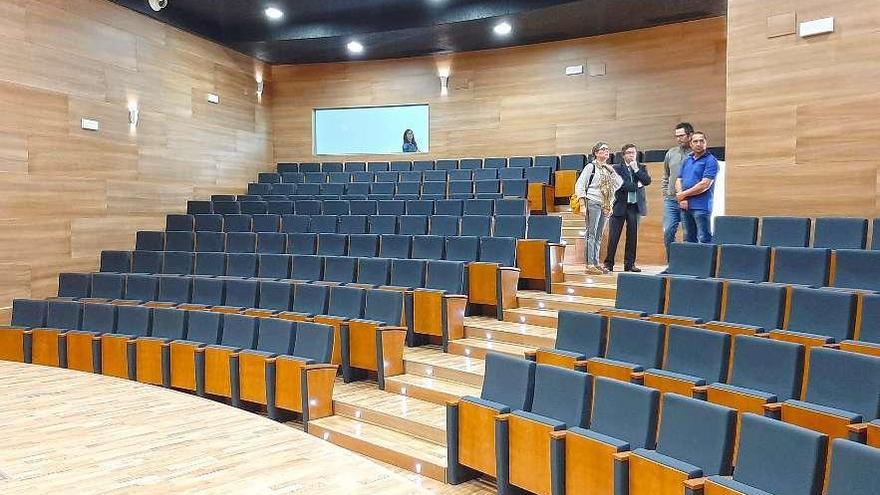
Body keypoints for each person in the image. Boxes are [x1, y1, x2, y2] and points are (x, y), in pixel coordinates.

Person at [574, 141, 623, 275]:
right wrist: (583, 205)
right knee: (591, 234)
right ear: (596, 153)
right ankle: (589, 264)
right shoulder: (591, 167)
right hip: (593, 202)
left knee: (599, 235)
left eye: (607, 149)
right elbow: (580, 185)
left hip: (605, 204)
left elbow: (618, 184)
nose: (606, 151)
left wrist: (613, 171)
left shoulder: (608, 169)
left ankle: (596, 262)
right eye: (603, 149)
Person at [604, 144, 652, 272]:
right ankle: (609, 263)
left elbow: (647, 181)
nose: (632, 155)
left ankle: (629, 264)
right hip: (619, 205)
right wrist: (635, 185)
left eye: (634, 153)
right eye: (629, 153)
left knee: (632, 237)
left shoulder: (641, 167)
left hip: (634, 207)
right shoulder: (616, 168)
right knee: (614, 236)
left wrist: (636, 170)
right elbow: (619, 184)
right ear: (623, 155)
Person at [676, 131, 718, 243]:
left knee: (704, 238)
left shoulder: (711, 160)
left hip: (701, 206)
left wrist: (683, 195)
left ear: (706, 143)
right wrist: (683, 199)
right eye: (695, 141)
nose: (699, 143)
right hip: (685, 206)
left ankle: (706, 261)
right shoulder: (687, 160)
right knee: (688, 238)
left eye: (701, 141)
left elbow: (705, 184)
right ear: (691, 144)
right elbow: (679, 180)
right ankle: (690, 261)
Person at [662, 122, 693, 260]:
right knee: (668, 231)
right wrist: (666, 192)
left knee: (688, 234)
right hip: (671, 201)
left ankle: (686, 264)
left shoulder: (696, 154)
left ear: (690, 135)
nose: (679, 139)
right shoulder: (671, 153)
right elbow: (666, 175)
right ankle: (672, 263)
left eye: (681, 136)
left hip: (691, 200)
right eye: (677, 136)